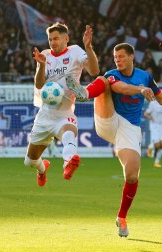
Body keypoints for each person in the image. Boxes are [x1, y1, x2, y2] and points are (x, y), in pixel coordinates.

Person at [66, 43, 162, 237]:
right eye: (115, 56)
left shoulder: (145, 76)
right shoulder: (113, 73)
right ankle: (84, 93)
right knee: (103, 81)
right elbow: (120, 88)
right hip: (109, 119)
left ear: (131, 57)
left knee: (132, 175)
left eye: (121, 56)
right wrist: (139, 90)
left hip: (129, 128)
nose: (117, 59)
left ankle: (121, 217)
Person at [24, 22, 99, 187]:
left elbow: (94, 71)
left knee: (69, 134)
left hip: (65, 113)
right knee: (29, 161)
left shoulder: (76, 52)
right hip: (45, 115)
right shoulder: (45, 55)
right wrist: (42, 65)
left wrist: (88, 47)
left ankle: (68, 164)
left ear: (67, 39)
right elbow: (38, 84)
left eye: (56, 38)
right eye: (50, 39)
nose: (53, 42)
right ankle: (42, 168)